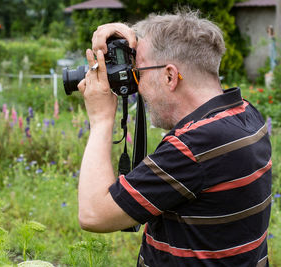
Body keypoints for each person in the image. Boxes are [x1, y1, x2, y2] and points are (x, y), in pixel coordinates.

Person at [77, 11, 272, 267]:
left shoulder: (195, 147)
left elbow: (94, 214)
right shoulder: (246, 115)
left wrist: (101, 119)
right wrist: (130, 36)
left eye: (140, 72)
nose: (138, 85)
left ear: (170, 76)